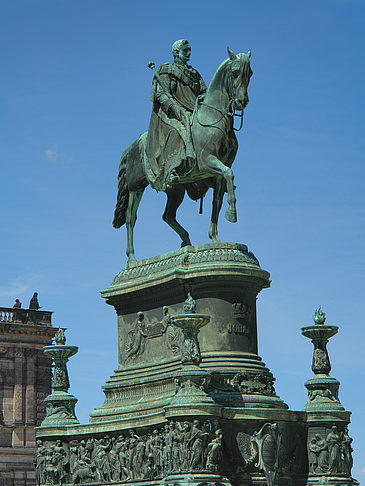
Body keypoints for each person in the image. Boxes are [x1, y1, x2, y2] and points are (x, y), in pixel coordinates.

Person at [145, 39, 206, 191]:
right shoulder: (166, 69)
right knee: (177, 131)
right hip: (170, 113)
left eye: (189, 50)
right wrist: (174, 107)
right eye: (186, 51)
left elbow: (205, 92)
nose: (189, 53)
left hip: (194, 112)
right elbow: (160, 94)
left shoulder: (195, 74)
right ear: (176, 52)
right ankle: (170, 169)